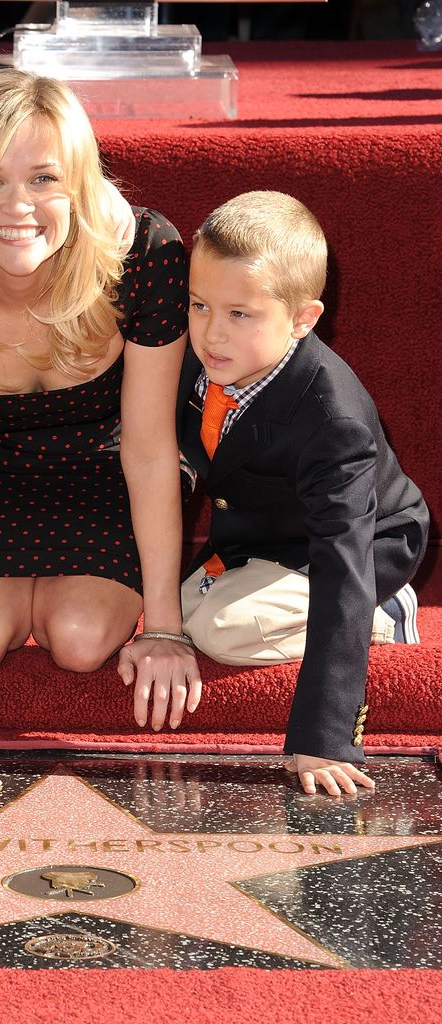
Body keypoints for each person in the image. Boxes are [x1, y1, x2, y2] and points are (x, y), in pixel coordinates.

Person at [0, 69, 200, 812]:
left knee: (83, 639)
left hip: (109, 464)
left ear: (79, 184)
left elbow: (150, 448)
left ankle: (70, 600)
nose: (19, 206)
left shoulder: (146, 255)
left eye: (44, 177)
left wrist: (168, 628)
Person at [174, 190, 429, 797]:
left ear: (302, 319)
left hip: (359, 547)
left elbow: (342, 557)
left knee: (219, 629)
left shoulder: (330, 416)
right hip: (265, 538)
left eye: (241, 314)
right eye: (199, 304)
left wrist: (325, 734)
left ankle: (386, 612)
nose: (212, 332)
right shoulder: (199, 357)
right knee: (175, 609)